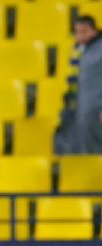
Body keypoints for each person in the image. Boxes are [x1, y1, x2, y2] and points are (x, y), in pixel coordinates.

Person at [68, 15, 102, 154]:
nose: (80, 36)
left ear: (94, 30)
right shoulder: (80, 50)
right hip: (85, 113)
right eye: (77, 32)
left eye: (84, 31)